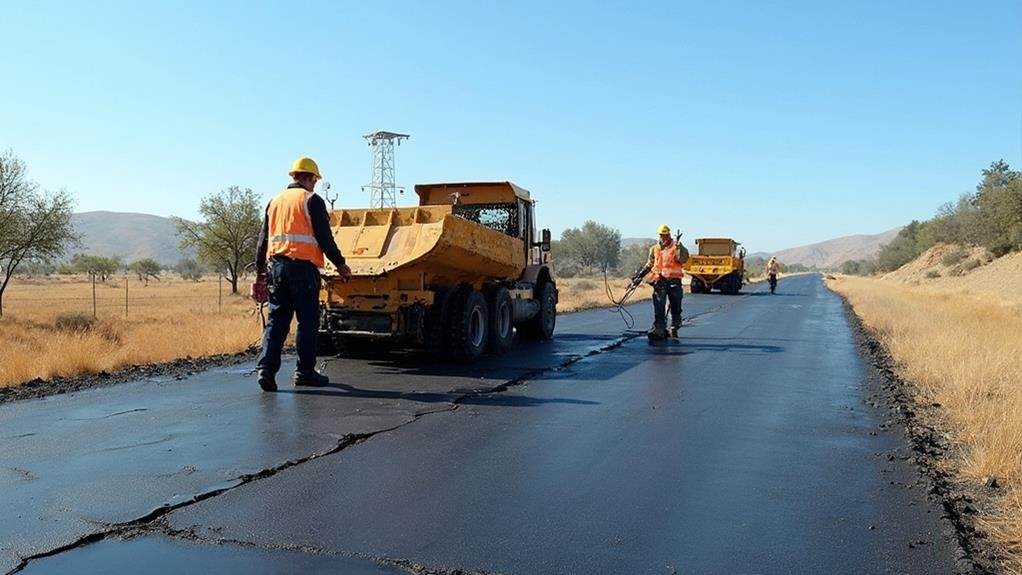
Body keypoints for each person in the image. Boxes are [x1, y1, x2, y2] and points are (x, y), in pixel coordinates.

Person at [251, 157, 352, 392]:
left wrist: (259, 274)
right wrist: (341, 264)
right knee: (307, 321)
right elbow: (325, 238)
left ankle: (266, 369)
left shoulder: (274, 202)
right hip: (302, 270)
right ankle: (305, 372)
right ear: (308, 178)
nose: (315, 184)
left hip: (275, 268)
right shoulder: (311, 200)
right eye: (314, 180)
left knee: (277, 321)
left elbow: (262, 240)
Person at [634, 224, 689, 339]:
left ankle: (674, 326)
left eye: (665, 235)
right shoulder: (655, 249)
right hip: (660, 281)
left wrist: (679, 247)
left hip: (674, 281)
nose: (663, 238)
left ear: (669, 235)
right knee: (659, 306)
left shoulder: (676, 247)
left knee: (676, 305)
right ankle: (659, 329)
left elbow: (683, 258)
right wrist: (639, 276)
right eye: (661, 235)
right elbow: (649, 264)